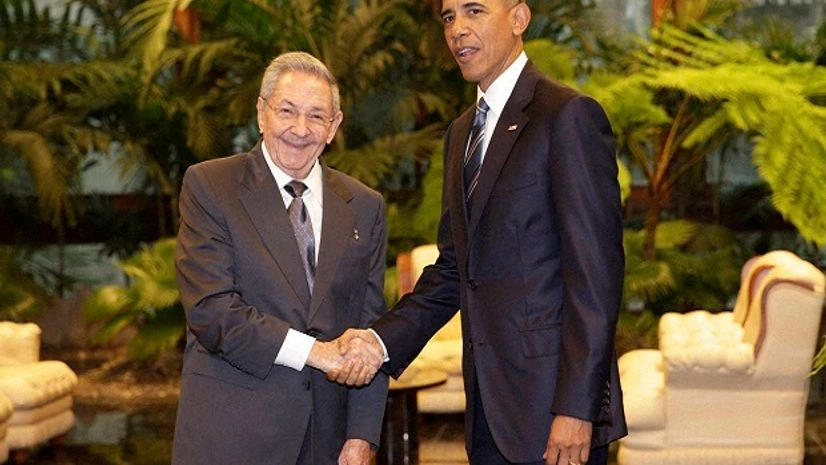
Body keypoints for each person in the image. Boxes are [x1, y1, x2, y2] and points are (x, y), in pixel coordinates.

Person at [331, 0, 627, 464]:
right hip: (488, 413)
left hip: (555, 415)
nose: (458, 30)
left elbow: (595, 279)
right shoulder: (461, 134)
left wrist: (577, 408)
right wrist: (379, 341)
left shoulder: (568, 116)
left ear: (519, 18)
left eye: (474, 11)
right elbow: (454, 271)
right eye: (449, 17)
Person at [172, 51, 388, 465]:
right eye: (287, 111)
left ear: (334, 127)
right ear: (261, 113)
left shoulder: (364, 205)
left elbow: (370, 324)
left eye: (316, 116)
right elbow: (212, 311)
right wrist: (316, 352)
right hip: (233, 437)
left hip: (328, 442)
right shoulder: (211, 186)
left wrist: (362, 435)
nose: (300, 129)